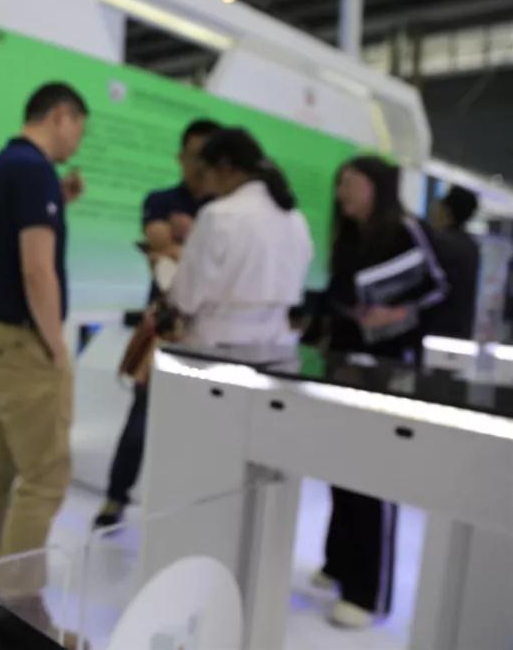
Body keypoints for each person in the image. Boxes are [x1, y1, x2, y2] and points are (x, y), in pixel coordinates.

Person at [314, 156, 448, 629]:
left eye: (351, 183)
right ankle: (338, 563)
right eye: (340, 183)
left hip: (388, 369)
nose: (343, 193)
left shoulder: (405, 230)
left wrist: (397, 315)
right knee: (339, 469)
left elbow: (438, 288)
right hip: (342, 363)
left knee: (371, 475)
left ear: (377, 186)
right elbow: (336, 293)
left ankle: (367, 591)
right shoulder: (348, 236)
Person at [0, 83, 87, 575]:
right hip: (24, 345)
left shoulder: (0, 167)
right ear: (60, 115)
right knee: (45, 477)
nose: (77, 142)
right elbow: (37, 270)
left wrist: (58, 201)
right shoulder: (35, 171)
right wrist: (56, 344)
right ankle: (19, 601)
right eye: (79, 128)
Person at [94, 119, 221, 529]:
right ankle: (115, 498)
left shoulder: (223, 210)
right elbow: (160, 245)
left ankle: (184, 509)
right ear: (181, 157)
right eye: (195, 154)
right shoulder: (162, 199)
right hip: (164, 328)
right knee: (141, 415)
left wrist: (184, 241)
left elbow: (209, 262)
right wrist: (192, 245)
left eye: (210, 156)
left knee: (201, 425)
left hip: (211, 332)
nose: (201, 164)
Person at [166, 127, 313, 346]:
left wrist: (167, 273)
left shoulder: (218, 215)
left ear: (224, 167)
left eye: (206, 173)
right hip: (275, 342)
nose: (207, 185)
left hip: (215, 342)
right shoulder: (295, 219)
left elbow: (185, 298)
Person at [426, 185, 480, 339]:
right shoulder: (471, 246)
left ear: (447, 211)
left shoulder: (440, 244)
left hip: (436, 331)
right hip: (459, 332)